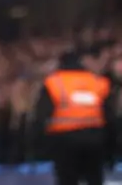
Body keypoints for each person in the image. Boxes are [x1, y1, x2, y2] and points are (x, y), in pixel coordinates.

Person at [32, 50, 115, 185]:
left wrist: (38, 144)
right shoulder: (99, 82)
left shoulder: (53, 82)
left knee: (67, 180)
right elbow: (109, 117)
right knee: (94, 178)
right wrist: (111, 150)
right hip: (94, 139)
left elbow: (42, 114)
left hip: (64, 141)